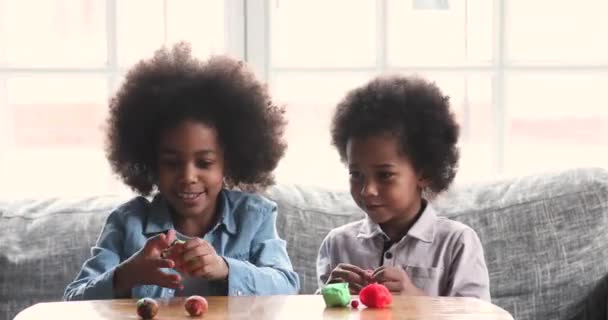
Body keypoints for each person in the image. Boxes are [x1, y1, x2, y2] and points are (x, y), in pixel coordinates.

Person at [64, 42, 299, 300]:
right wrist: (127, 275)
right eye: (172, 163)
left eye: (204, 163)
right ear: (151, 162)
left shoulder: (254, 217)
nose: (188, 177)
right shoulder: (126, 223)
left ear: (228, 162)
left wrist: (226, 269)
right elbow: (73, 300)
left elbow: (287, 286)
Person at [317, 75, 490, 301]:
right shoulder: (337, 244)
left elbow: (476, 315)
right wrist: (328, 297)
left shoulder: (457, 243)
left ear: (424, 173)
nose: (367, 190)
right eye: (356, 174)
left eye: (385, 175)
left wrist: (416, 300)